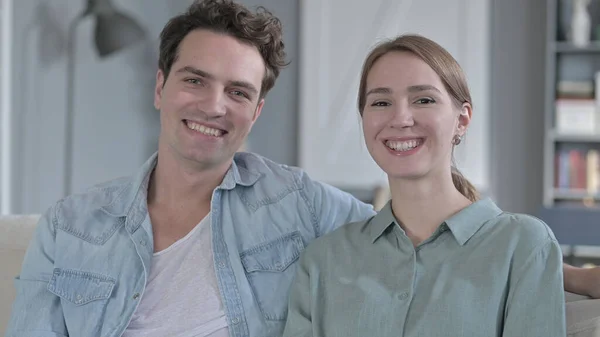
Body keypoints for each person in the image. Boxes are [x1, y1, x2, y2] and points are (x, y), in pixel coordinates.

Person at [4, 1, 600, 337]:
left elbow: (425, 237)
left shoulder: (298, 204)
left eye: (237, 91)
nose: (214, 106)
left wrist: (557, 265)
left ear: (257, 110)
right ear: (160, 86)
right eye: (194, 81)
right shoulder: (71, 226)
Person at [282, 34, 566, 337]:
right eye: (381, 102)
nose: (401, 118)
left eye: (424, 100)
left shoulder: (523, 245)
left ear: (462, 119)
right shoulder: (324, 259)